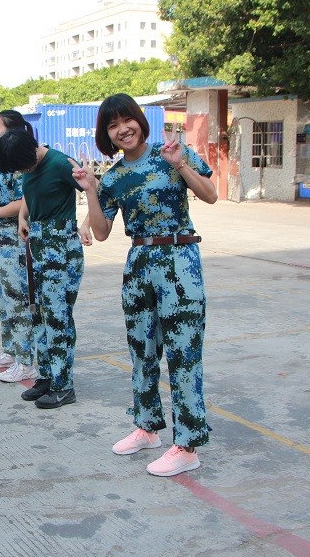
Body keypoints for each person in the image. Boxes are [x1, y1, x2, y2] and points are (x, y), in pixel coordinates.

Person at [72, 93, 217, 477]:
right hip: (139, 262)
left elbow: (210, 195)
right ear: (106, 134)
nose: (123, 129)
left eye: (127, 120)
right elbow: (101, 233)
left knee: (183, 352)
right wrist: (90, 188)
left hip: (179, 257)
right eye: (112, 125)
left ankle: (186, 444)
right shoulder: (116, 176)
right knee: (142, 348)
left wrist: (180, 165)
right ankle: (147, 426)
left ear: (139, 120)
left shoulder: (172, 153)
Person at [0, 127, 84, 409]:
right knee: (40, 315)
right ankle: (47, 376)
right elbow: (29, 196)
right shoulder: (27, 166)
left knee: (58, 318)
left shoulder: (59, 163)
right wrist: (23, 216)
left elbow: (98, 194)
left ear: (33, 150)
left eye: (23, 166)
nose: (22, 171)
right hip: (38, 247)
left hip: (62, 250)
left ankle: (63, 384)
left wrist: (86, 226)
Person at [0, 110, 41, 381]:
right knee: (5, 299)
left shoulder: (19, 162)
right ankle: (11, 351)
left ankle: (26, 360)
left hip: (14, 240)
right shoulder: (2, 163)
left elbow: (24, 200)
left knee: (17, 300)